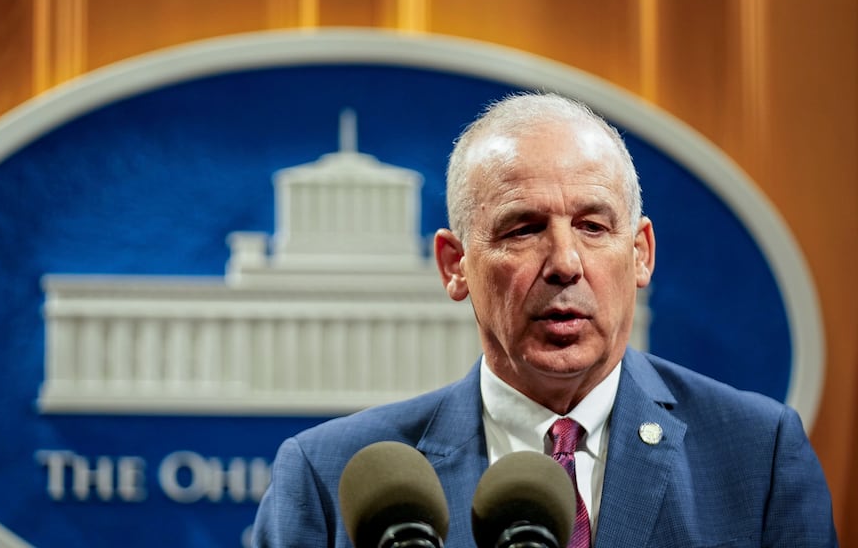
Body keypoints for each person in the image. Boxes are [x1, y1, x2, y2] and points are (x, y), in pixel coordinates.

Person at [251, 92, 837, 547]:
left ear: (641, 254)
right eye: (523, 228)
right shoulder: (328, 478)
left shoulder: (758, 456)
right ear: (455, 266)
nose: (564, 263)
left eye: (593, 227)